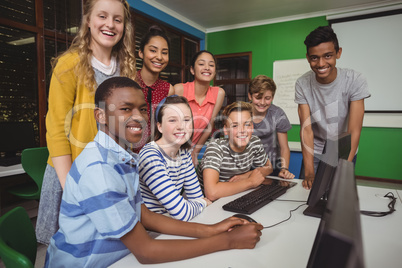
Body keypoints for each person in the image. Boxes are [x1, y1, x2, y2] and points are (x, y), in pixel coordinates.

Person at [44, 77, 263, 267]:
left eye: (142, 109)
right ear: (100, 116)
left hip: (121, 255)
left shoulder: (124, 157)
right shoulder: (99, 169)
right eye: (125, 109)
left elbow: (144, 215)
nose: (138, 116)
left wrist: (212, 229)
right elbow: (146, 252)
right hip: (87, 263)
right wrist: (229, 241)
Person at [36, 0, 137, 245]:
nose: (110, 24)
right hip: (71, 175)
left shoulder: (126, 68)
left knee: (109, 247)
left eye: (117, 19)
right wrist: (73, 187)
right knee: (72, 250)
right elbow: (57, 129)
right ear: (88, 20)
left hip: (110, 173)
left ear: (124, 26)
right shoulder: (69, 64)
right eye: (102, 16)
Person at [295, 26, 371, 189]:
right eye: (314, 58)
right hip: (314, 150)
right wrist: (309, 172)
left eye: (327, 56)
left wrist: (342, 170)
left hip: (344, 148)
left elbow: (354, 131)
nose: (321, 63)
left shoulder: (355, 80)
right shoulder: (302, 84)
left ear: (338, 53)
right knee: (305, 196)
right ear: (308, 58)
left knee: (337, 194)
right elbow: (306, 130)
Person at [138, 95, 211, 221]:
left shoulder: (184, 153)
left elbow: (195, 197)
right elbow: (181, 212)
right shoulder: (150, 156)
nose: (181, 126)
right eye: (172, 120)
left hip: (173, 223)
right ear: (159, 126)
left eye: (186, 120)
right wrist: (203, 203)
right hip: (151, 229)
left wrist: (196, 204)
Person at [199, 101, 273, 201]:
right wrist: (250, 181)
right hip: (208, 205)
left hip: (235, 197)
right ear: (226, 130)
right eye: (235, 126)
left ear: (252, 127)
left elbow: (268, 167)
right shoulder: (216, 148)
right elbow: (212, 193)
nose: (242, 130)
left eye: (247, 125)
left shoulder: (254, 142)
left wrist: (246, 175)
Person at [174, 50, 225, 164]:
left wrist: (194, 152)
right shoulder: (179, 90)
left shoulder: (219, 93)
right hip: (170, 148)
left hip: (189, 151)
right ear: (192, 70)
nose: (207, 68)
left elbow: (209, 125)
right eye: (201, 64)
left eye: (211, 65)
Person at [135, 25, 174, 151]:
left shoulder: (168, 89)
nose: (159, 57)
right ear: (141, 52)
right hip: (128, 152)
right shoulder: (129, 81)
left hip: (156, 153)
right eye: (153, 50)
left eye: (164, 52)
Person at [248, 75, 295, 179]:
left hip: (273, 165)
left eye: (267, 98)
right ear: (250, 96)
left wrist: (284, 169)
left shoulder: (278, 114)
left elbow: (284, 147)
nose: (262, 103)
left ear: (272, 98)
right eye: (258, 98)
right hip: (245, 165)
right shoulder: (242, 113)